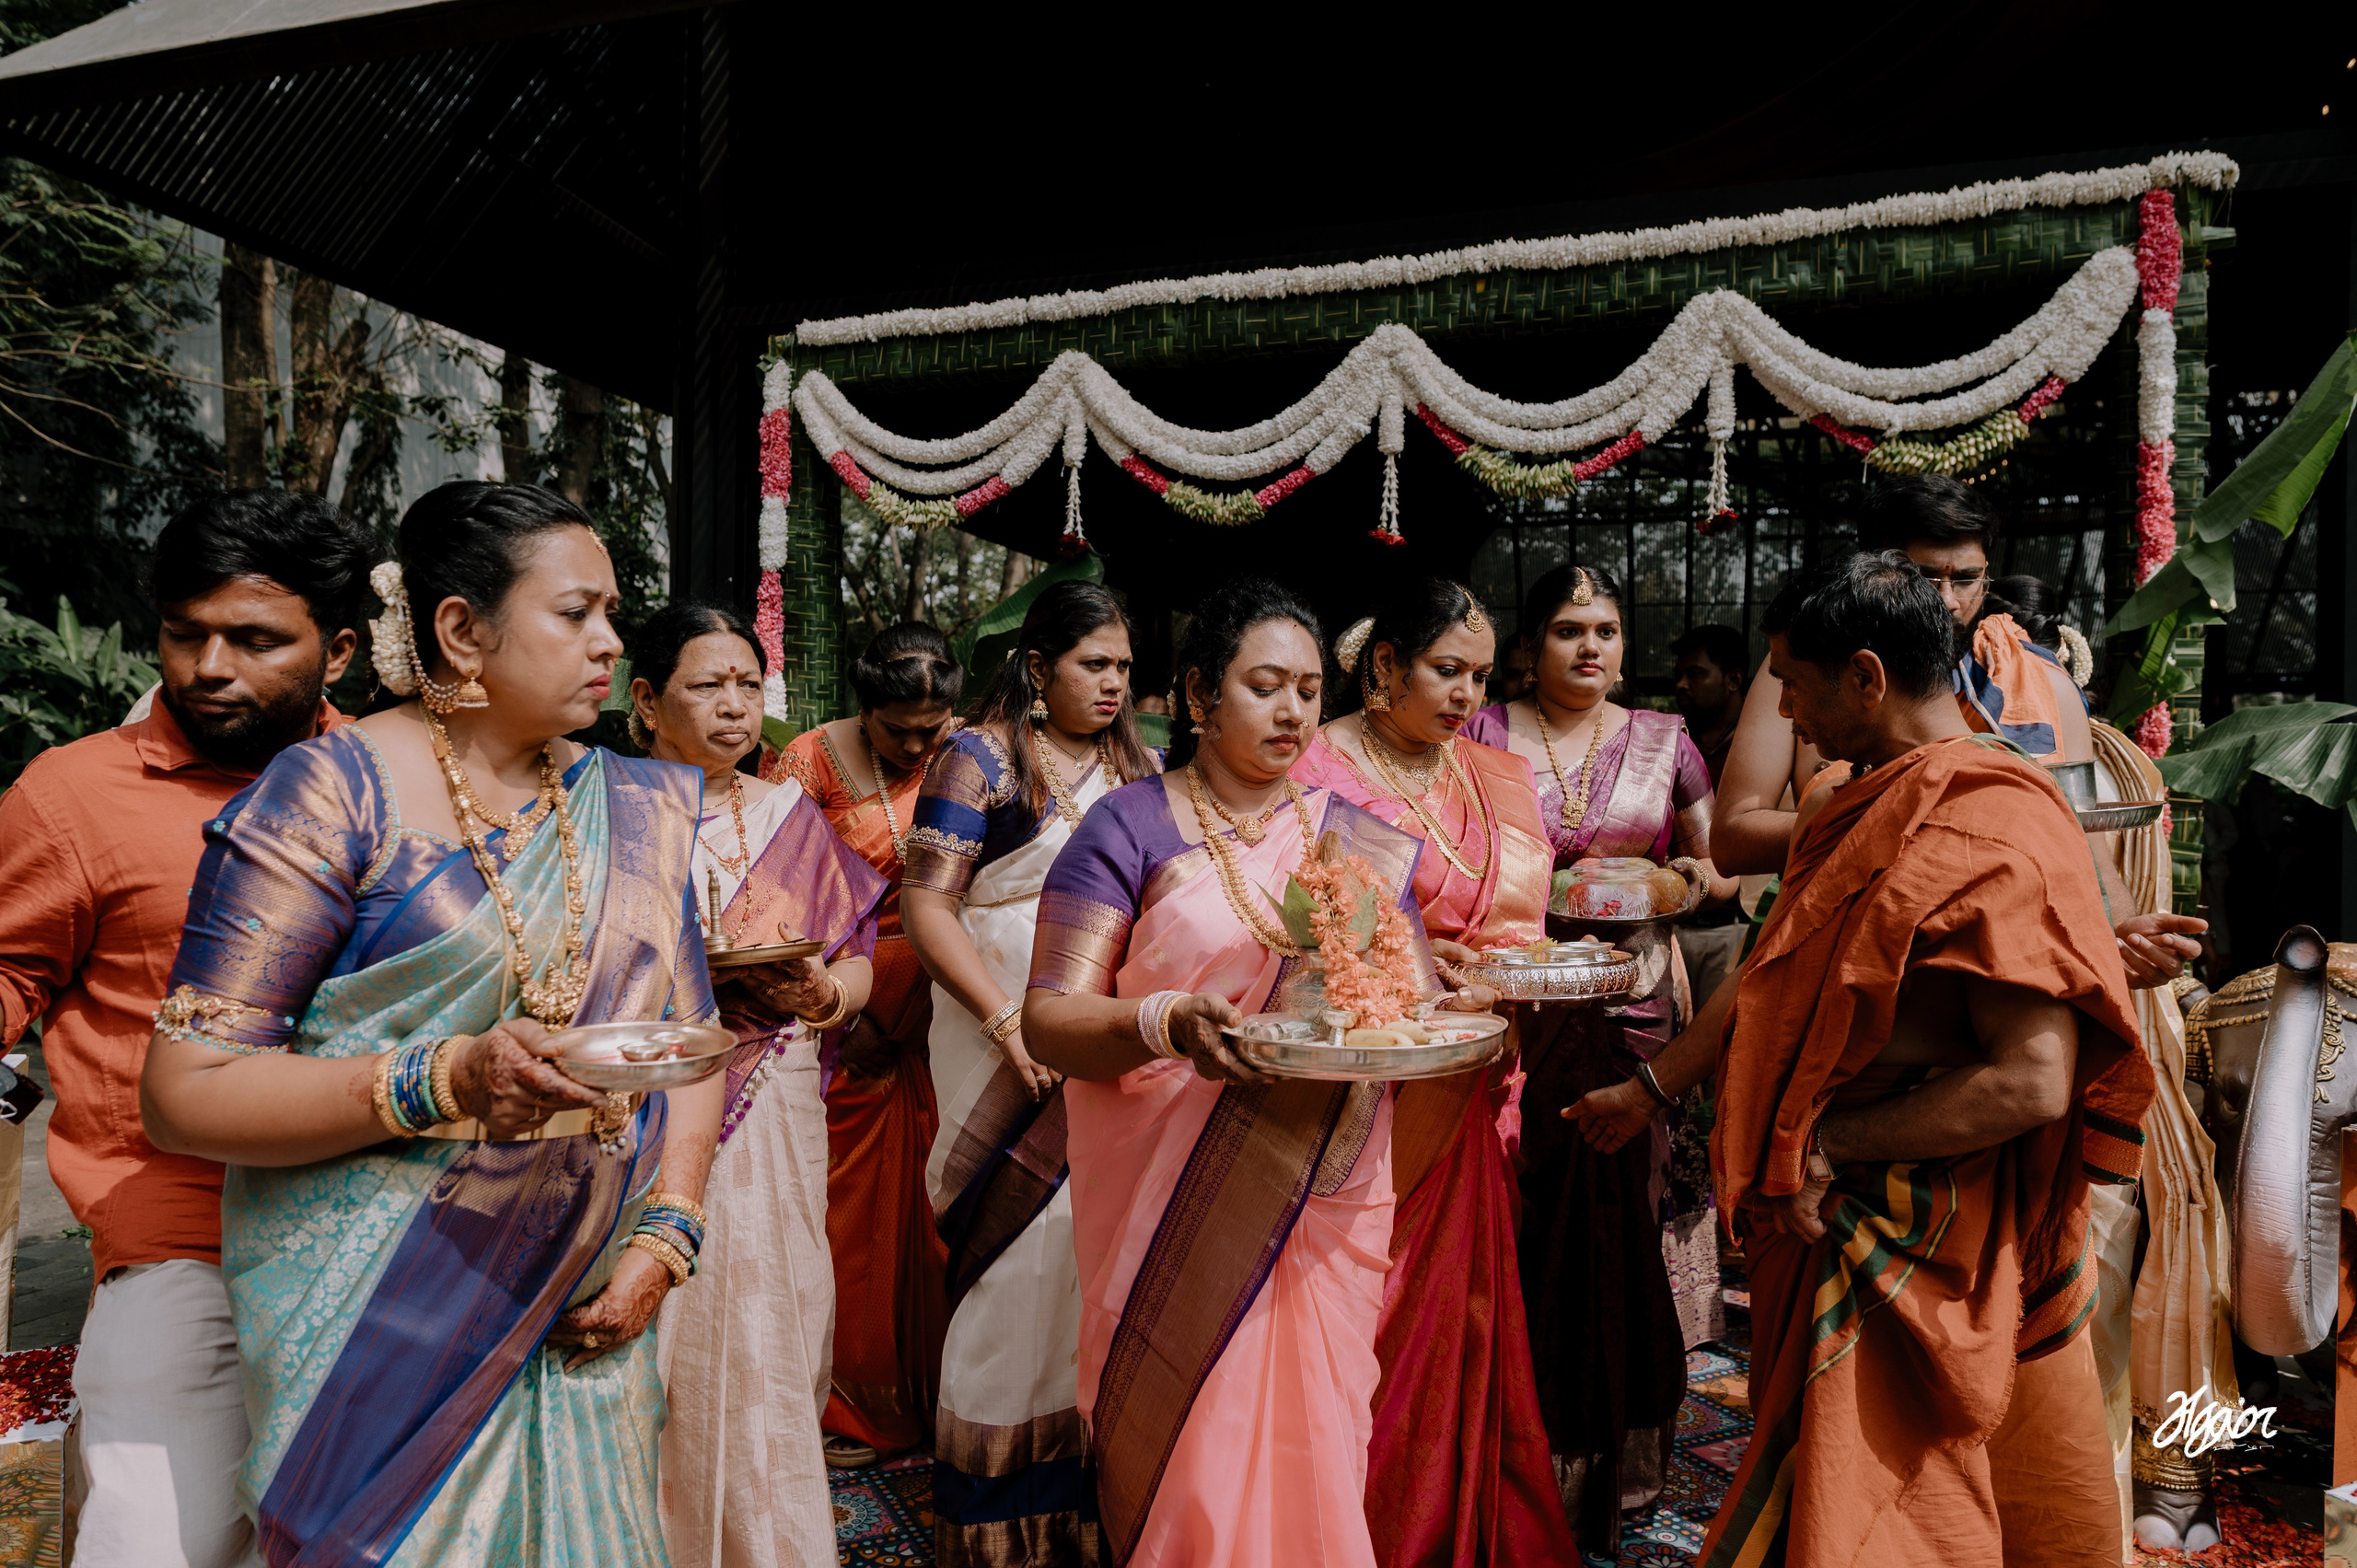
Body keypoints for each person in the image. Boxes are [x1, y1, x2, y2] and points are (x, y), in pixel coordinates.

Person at [138, 481, 727, 1562]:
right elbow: (187, 1090)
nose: (610, 641)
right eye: (575, 612)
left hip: (582, 1305)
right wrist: (446, 1078)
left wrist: (666, 1229)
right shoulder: (328, 794)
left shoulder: (636, 802)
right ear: (460, 629)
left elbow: (686, 1041)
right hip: (375, 1318)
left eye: (611, 611)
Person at [1690, 552, 2150, 1567]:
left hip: (1910, 1230)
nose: (1790, 717)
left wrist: (1832, 1141)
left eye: (1794, 685)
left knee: (1880, 1522)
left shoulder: (1989, 817)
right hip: (1848, 1218)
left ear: (1864, 676)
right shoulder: (1871, 798)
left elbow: (2032, 1078)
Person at [1024, 578, 1480, 1568]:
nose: (1292, 712)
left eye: (1310, 690)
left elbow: (1401, 995)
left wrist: (1456, 1004)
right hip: (1168, 1197)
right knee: (1194, 1455)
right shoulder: (1126, 828)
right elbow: (1051, 1017)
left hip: (1323, 1186)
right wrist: (1163, 1022)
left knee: (1313, 1437)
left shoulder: (1347, 834)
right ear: (1196, 695)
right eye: (1264, 685)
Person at [0, 491, 367, 1568]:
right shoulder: (73, 794)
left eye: (254, 639)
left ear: (336, 648)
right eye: (184, 632)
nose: (210, 665)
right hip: (177, 1237)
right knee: (155, 1545)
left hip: (383, 1229)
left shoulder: (396, 781)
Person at [1290, 578, 1573, 1567]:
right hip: (1366, 1079)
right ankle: (1349, 1526)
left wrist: (1490, 975)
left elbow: (1517, 926)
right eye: (1445, 670)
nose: (1465, 694)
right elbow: (1294, 926)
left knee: (1463, 1308)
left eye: (1481, 676)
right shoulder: (1312, 762)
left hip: (1480, 1063)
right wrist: (1410, 968)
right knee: (1370, 1302)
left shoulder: (1496, 772)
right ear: (1384, 667)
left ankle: (1452, 1519)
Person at [1711, 476, 2204, 992]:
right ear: (1876, 572)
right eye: (1924, 577)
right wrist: (1879, 821)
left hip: (1991, 970)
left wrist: (2122, 933)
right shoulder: (1804, 671)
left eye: (1967, 579)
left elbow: (2077, 836)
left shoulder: (2040, 684)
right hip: (1834, 958)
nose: (1947, 601)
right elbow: (1731, 840)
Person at [901, 581, 1158, 1566]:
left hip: (1096, 1038)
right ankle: (996, 1524)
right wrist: (1007, 1018)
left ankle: (1085, 1504)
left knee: (1091, 1253)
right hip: (992, 1034)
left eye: (1123, 667)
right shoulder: (980, 755)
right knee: (1011, 1263)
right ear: (1037, 663)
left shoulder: (1139, 762)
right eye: (1093, 663)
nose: (1110, 683)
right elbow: (928, 903)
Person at [628, 600, 887, 1568]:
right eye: (709, 684)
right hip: (651, 1100)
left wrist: (822, 990)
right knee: (669, 1328)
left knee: (778, 1313)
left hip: (776, 1090)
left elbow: (856, 958)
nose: (737, 705)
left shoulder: (787, 811)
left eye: (748, 683)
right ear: (647, 698)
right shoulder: (605, 805)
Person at [773, 622, 961, 1466]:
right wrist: (854, 1013)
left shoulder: (966, 756)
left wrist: (914, 1009)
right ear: (862, 708)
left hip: (945, 1003)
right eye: (900, 731)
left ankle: (940, 1394)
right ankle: (850, 1406)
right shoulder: (809, 763)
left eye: (933, 727)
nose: (920, 745)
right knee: (844, 1213)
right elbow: (778, 896)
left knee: (938, 1205)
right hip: (839, 1011)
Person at [1669, 624, 1747, 790]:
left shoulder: (1761, 740)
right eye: (1678, 676)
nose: (1680, 685)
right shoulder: (1674, 740)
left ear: (1733, 680)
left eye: (1695, 674)